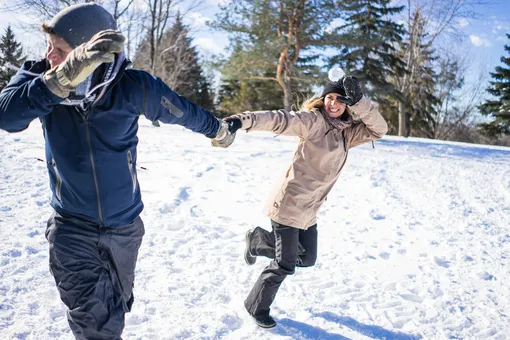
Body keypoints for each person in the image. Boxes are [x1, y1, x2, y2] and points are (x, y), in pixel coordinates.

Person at [0, 3, 234, 339]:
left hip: (125, 228)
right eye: (49, 46)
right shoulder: (38, 79)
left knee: (117, 307)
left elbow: (181, 111)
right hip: (71, 229)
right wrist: (59, 79)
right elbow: (7, 115)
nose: (50, 55)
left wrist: (218, 130)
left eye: (60, 49)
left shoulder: (130, 86)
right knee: (98, 326)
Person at [223, 76, 388, 328]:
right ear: (323, 100)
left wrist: (361, 102)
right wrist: (241, 120)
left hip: (309, 210)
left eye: (340, 99)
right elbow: (279, 120)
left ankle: (258, 240)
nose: (333, 103)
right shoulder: (313, 122)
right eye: (329, 98)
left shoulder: (348, 133)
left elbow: (380, 129)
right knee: (284, 264)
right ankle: (255, 307)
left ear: (347, 104)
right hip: (288, 203)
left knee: (307, 257)